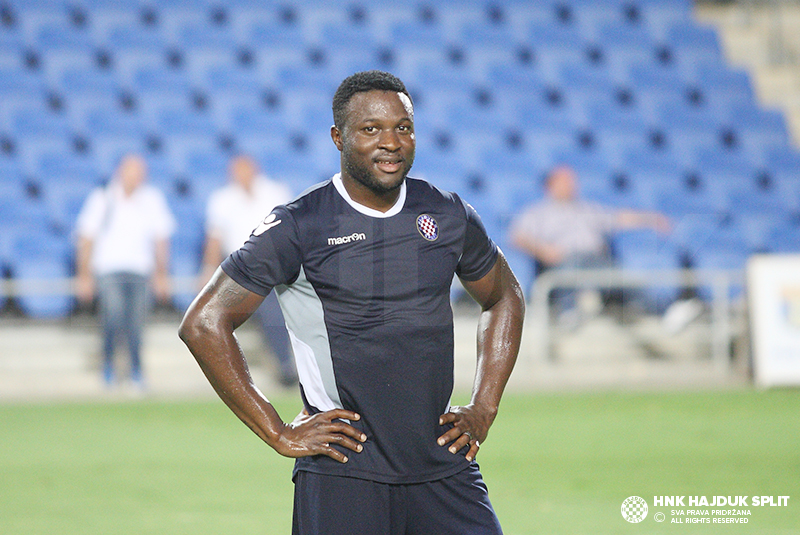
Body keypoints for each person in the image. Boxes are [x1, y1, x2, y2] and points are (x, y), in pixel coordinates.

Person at [179, 70, 525, 535]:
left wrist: (484, 406)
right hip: (343, 469)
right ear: (337, 138)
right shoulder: (299, 226)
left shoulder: (446, 213)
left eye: (403, 127)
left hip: (443, 463)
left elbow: (504, 295)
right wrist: (277, 430)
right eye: (371, 129)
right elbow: (203, 322)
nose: (391, 142)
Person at [510, 164, 700, 331]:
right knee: (572, 266)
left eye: (572, 181)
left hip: (597, 260)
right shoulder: (538, 212)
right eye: (565, 181)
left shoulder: (587, 209)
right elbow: (517, 237)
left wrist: (651, 219)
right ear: (550, 186)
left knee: (621, 277)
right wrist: (544, 251)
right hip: (564, 260)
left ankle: (667, 311)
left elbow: (618, 218)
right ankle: (569, 311)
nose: (571, 185)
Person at [75, 154, 175, 389]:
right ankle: (109, 364)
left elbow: (161, 239)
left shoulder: (152, 199)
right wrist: (84, 275)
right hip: (109, 268)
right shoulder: (102, 198)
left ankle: (136, 370)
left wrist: (161, 274)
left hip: (140, 270)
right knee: (113, 317)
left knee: (136, 323)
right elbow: (87, 238)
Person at [200, 154, 297, 386]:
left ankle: (284, 364)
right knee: (268, 308)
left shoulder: (275, 192)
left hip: (274, 264)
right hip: (240, 269)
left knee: (272, 309)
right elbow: (215, 240)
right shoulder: (222, 199)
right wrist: (207, 271)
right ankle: (282, 364)